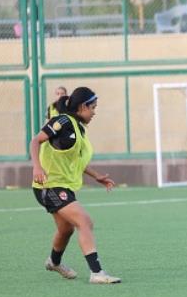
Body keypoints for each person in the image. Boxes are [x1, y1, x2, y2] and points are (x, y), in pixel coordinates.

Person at [31, 87, 121, 284]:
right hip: (49, 186)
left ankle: (53, 262)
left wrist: (97, 176)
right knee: (84, 221)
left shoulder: (78, 128)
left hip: (61, 185)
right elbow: (35, 141)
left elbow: (76, 161)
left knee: (66, 230)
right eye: (93, 108)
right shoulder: (62, 121)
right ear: (82, 106)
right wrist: (37, 167)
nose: (95, 112)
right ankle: (97, 273)